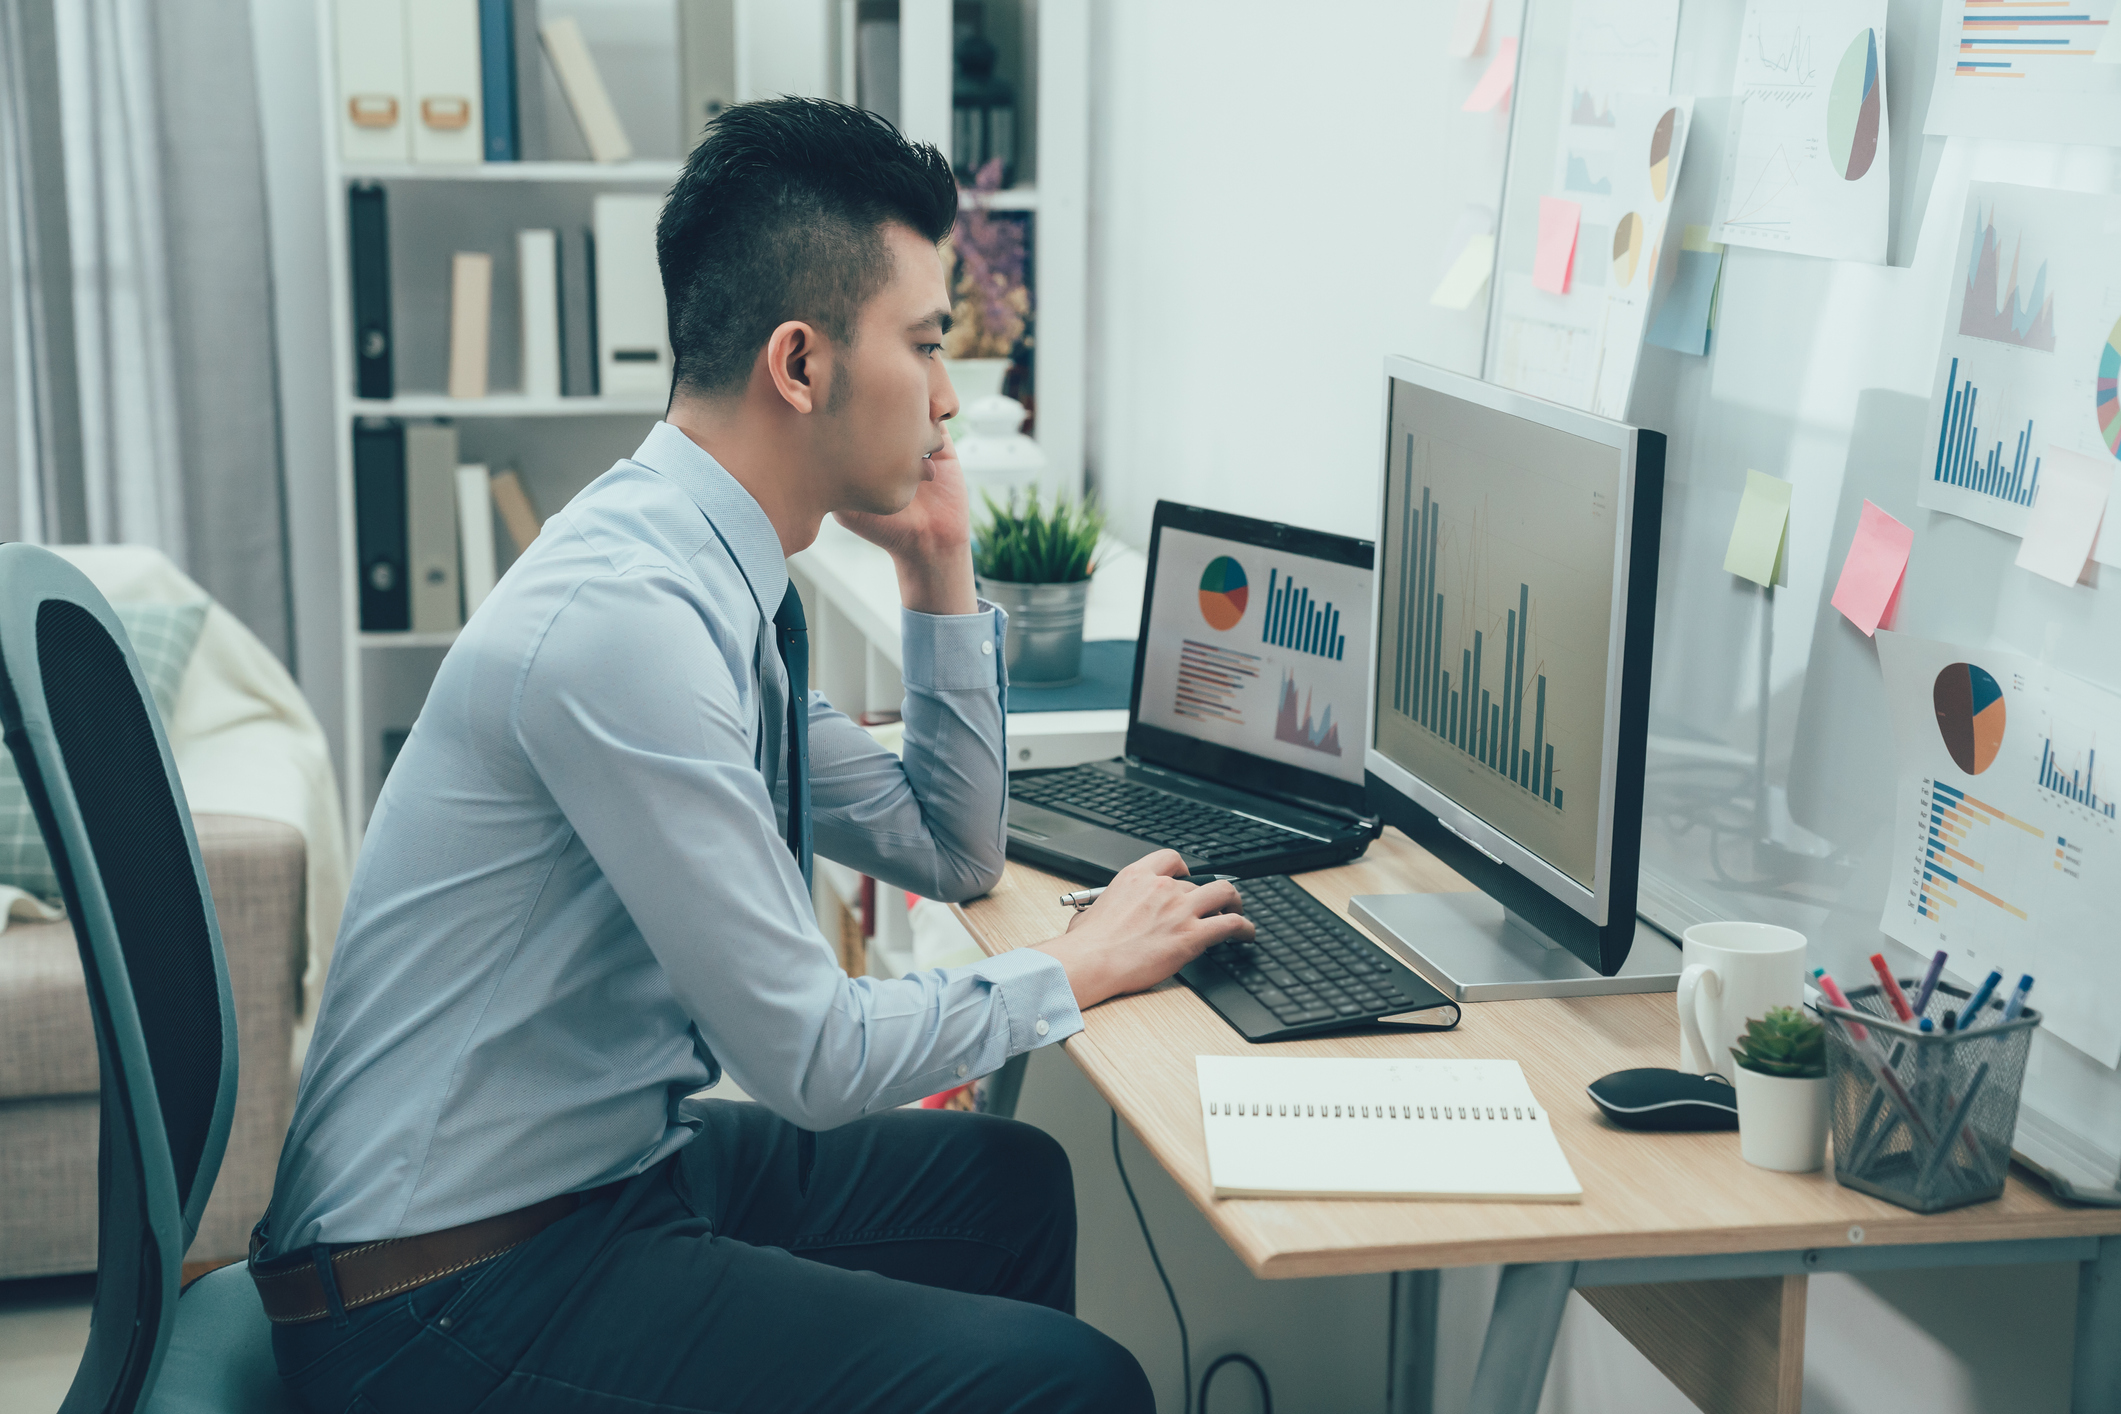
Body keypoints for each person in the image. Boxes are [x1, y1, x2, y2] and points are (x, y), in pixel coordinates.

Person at [252, 98, 1252, 1414]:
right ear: (800, 361)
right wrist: (1075, 962)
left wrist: (939, 568)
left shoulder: (705, 577)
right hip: (431, 1293)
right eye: (924, 342)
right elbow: (808, 1057)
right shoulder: (625, 626)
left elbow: (945, 844)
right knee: (1074, 1382)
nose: (950, 398)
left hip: (595, 1176)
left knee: (1009, 1185)